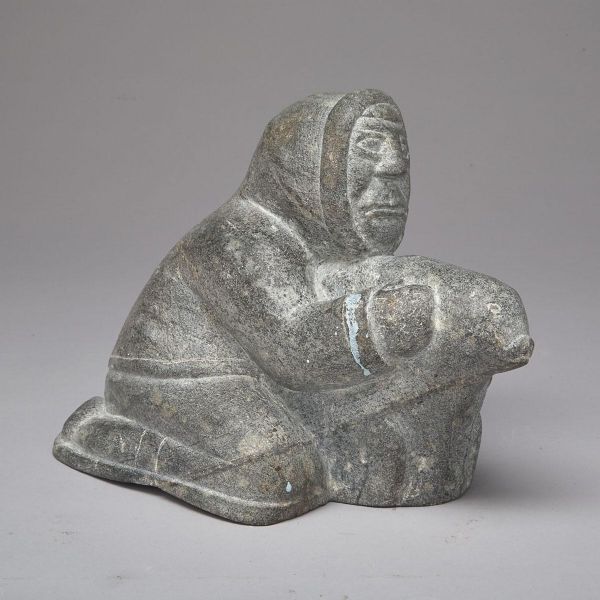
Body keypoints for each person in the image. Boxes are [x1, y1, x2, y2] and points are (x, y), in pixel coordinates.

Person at [54, 90, 532, 524]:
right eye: (367, 151)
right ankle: (117, 438)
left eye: (400, 159)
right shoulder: (235, 238)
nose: (391, 168)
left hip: (263, 374)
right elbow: (293, 349)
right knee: (278, 477)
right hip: (180, 379)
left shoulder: (321, 247)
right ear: (301, 171)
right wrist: (391, 321)